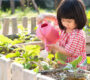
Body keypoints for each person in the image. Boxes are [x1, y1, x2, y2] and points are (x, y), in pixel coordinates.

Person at [37, 0, 87, 70]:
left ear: (79, 18)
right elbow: (54, 18)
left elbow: (69, 52)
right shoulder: (66, 27)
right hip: (65, 64)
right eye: (63, 20)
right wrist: (43, 16)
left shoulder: (77, 34)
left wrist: (55, 46)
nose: (65, 23)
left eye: (69, 21)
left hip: (76, 67)